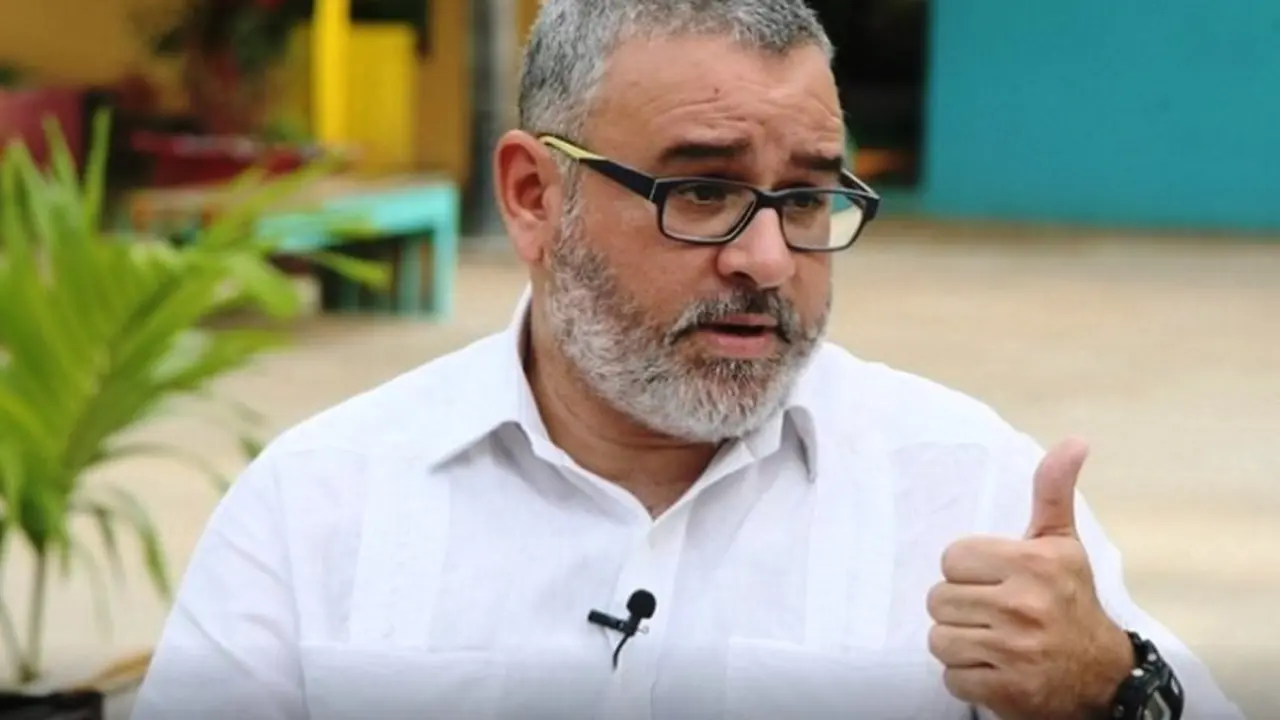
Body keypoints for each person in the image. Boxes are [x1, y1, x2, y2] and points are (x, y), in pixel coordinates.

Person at [132, 1, 1243, 719]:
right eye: (702, 190)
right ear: (534, 196)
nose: (767, 259)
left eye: (804, 198)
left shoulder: (968, 492)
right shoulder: (322, 503)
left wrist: (1112, 686)